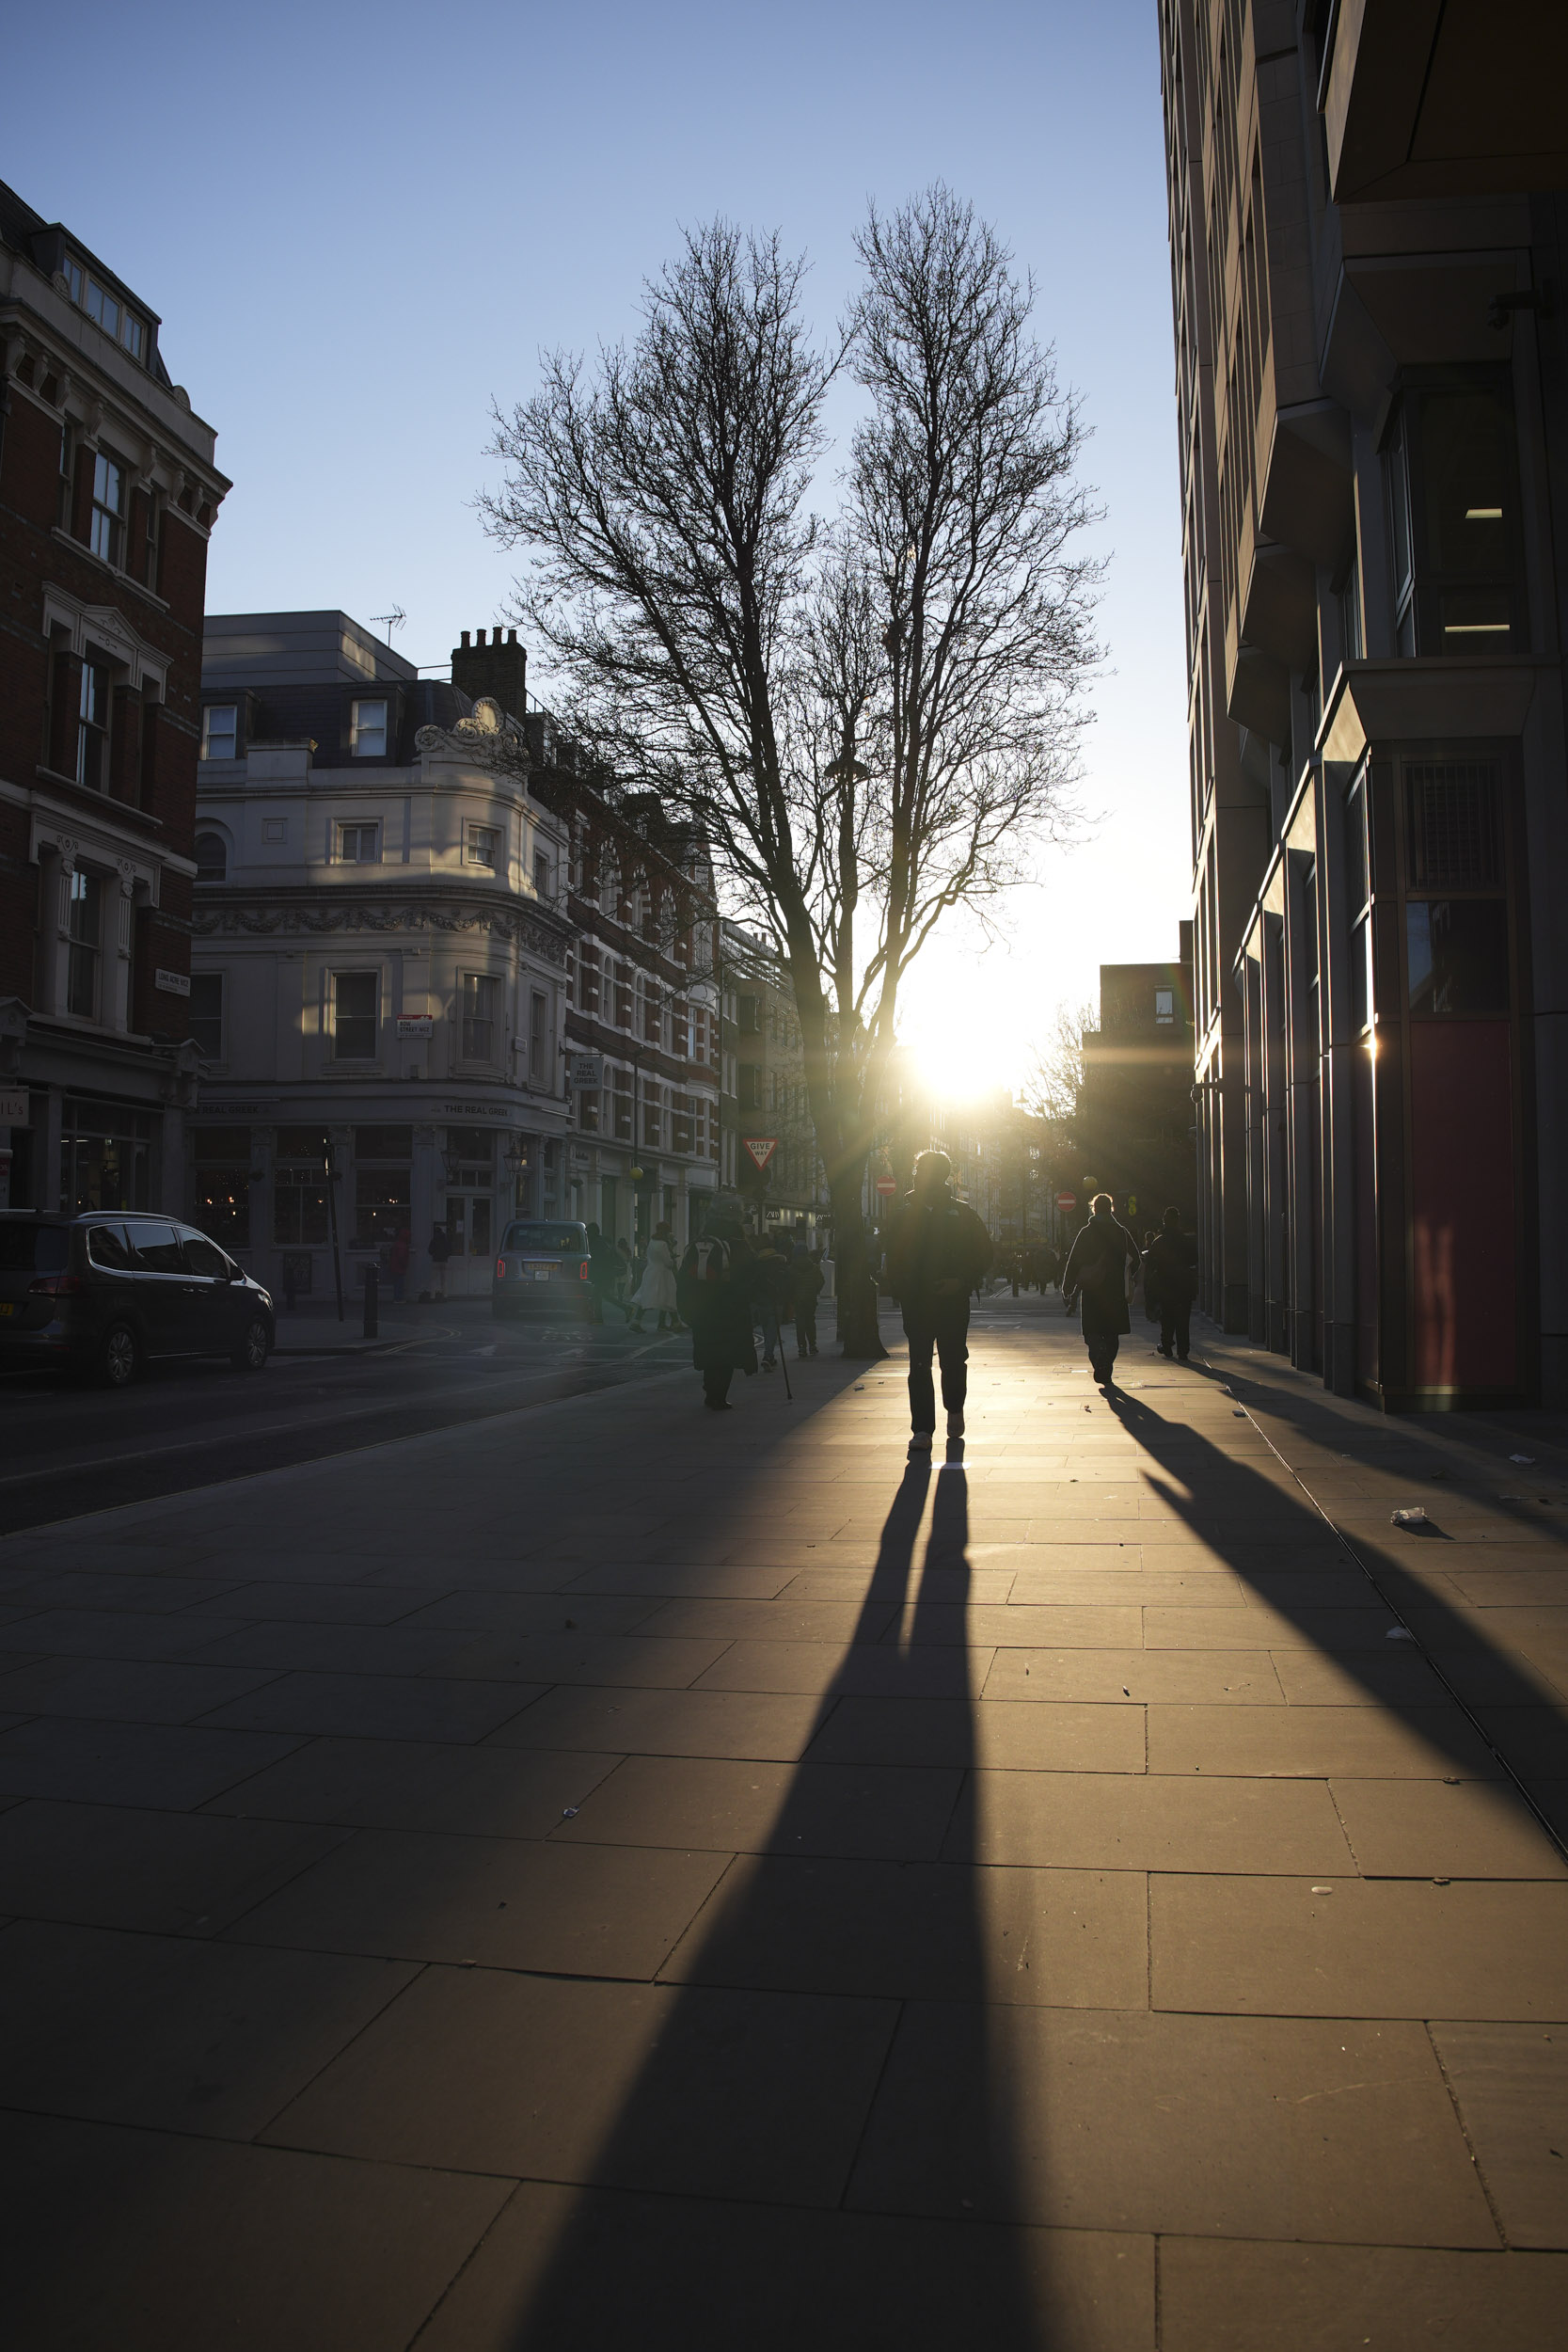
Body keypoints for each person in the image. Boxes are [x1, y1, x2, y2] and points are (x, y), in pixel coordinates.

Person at [885, 1149, 994, 1455]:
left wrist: (961, 1281)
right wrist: (904, 1288)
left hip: (952, 1301)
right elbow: (893, 1257)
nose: (916, 1175)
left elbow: (984, 1253)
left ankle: (954, 1408)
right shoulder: (903, 1213)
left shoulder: (961, 1213)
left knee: (953, 1359)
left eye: (920, 1170)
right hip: (918, 1301)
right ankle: (922, 1429)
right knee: (919, 1364)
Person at [677, 1207, 758, 1409]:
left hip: (702, 1310)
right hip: (728, 1310)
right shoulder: (737, 1244)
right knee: (726, 1355)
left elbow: (683, 1278)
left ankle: (709, 1389)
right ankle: (719, 1395)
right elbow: (749, 1274)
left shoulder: (699, 1244)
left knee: (708, 1350)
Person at [1061, 1194, 1143, 1388]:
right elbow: (1137, 1259)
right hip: (1115, 1290)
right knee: (1112, 1333)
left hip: (1092, 1290)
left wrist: (1068, 1286)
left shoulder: (1086, 1232)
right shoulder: (1122, 1233)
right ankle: (1106, 1364)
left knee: (1092, 1331)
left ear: (1094, 1209)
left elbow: (1073, 1261)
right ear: (1111, 1209)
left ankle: (1099, 1355)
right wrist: (1126, 1273)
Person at [1145, 1204, 1199, 1361]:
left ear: (1164, 1221)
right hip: (1183, 1284)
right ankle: (1183, 1350)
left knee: (1167, 1317)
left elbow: (1151, 1263)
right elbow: (1194, 1259)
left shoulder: (1159, 1241)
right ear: (1177, 1221)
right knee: (1183, 1320)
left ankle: (1167, 1345)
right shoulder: (1186, 1241)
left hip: (1165, 1284)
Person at [751, 1232, 792, 1372]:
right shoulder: (779, 1263)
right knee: (773, 1330)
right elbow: (786, 1282)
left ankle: (769, 1355)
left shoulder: (757, 1265)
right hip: (776, 1302)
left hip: (761, 1302)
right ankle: (768, 1355)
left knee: (765, 1328)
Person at [630, 1221, 680, 1332]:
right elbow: (667, 1262)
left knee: (647, 1296)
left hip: (650, 1271)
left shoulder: (652, 1242)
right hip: (663, 1273)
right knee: (668, 1295)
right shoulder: (663, 1244)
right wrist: (673, 1260)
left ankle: (636, 1321)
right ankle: (672, 1322)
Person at [791, 1241, 824, 1358]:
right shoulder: (814, 1268)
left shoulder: (792, 1269)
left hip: (798, 1299)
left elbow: (790, 1284)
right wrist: (815, 1291)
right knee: (810, 1321)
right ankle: (812, 1345)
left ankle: (802, 1347)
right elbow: (821, 1281)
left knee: (800, 1323)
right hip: (811, 1298)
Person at [584, 1221, 620, 1325]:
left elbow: (597, 1259)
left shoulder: (596, 1243)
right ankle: (627, 1309)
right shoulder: (600, 1241)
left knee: (597, 1295)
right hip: (602, 1273)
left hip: (600, 1274)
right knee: (601, 1295)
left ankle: (598, 1317)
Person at [388, 1223, 411, 1306]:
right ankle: (398, 1298)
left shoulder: (397, 1243)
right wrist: (404, 1264)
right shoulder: (403, 1245)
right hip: (399, 1267)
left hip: (394, 1266)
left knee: (397, 1284)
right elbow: (401, 1257)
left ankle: (397, 1298)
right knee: (399, 1284)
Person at [427, 1220, 451, 1301]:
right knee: (444, 1279)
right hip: (444, 1261)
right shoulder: (445, 1239)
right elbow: (449, 1250)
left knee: (433, 1279)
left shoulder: (434, 1239)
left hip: (436, 1261)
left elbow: (430, 1250)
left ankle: (432, 1296)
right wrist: (446, 1256)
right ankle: (445, 1295)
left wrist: (434, 1254)